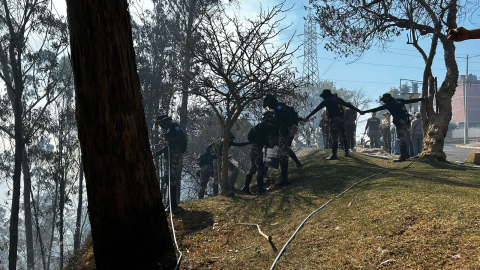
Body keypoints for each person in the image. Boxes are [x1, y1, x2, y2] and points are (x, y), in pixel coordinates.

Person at [361, 93, 424, 162]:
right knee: (401, 138)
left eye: (384, 99)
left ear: (387, 98)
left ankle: (403, 156)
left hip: (399, 123)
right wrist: (422, 99)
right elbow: (410, 101)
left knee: (400, 139)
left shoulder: (389, 104)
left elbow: (377, 108)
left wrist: (365, 111)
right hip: (405, 122)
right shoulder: (399, 100)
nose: (384, 101)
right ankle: (405, 154)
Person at [304, 89, 362, 160]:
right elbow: (348, 105)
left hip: (333, 119)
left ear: (326, 95)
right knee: (344, 136)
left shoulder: (326, 101)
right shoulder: (338, 99)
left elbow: (317, 109)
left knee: (334, 137)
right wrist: (359, 111)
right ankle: (346, 152)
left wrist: (307, 117)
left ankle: (334, 154)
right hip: (342, 119)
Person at [263, 94, 300, 185]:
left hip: (285, 130)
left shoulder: (278, 106)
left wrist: (292, 124)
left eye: (268, 105)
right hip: (286, 130)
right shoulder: (279, 106)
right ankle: (284, 177)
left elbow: (286, 112)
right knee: (283, 152)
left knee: (283, 154)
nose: (269, 107)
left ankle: (284, 179)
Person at [155, 114, 187, 211]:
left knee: (171, 176)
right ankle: (169, 204)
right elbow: (167, 147)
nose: (160, 126)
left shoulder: (174, 125)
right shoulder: (168, 131)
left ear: (164, 121)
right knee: (167, 177)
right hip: (169, 154)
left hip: (175, 153)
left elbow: (182, 136)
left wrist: (169, 142)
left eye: (160, 123)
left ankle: (173, 205)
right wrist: (156, 154)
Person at [242, 117, 279, 194]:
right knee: (260, 168)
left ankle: (245, 188)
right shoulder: (268, 125)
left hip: (253, 149)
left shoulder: (258, 127)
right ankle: (261, 189)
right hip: (257, 149)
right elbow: (274, 130)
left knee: (253, 168)